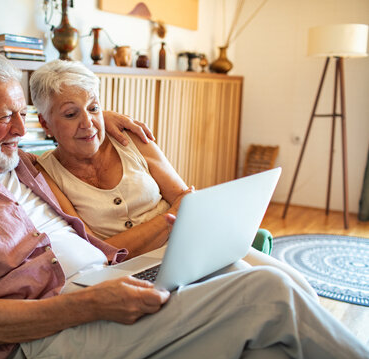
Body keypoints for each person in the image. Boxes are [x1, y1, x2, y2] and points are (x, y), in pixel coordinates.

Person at [0, 51, 369, 359]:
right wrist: (94, 303)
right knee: (266, 290)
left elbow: (65, 119)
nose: (21, 130)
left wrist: (102, 116)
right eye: (6, 117)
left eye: (22, 116)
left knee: (269, 344)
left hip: (108, 281)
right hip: (47, 335)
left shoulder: (20, 164)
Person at [30, 59, 318, 296]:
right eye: (70, 114)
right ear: (44, 123)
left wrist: (179, 214)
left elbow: (183, 197)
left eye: (94, 109)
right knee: (263, 290)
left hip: (188, 245)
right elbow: (97, 249)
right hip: (134, 269)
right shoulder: (44, 172)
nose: (88, 124)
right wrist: (168, 219)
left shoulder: (129, 139)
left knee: (297, 285)